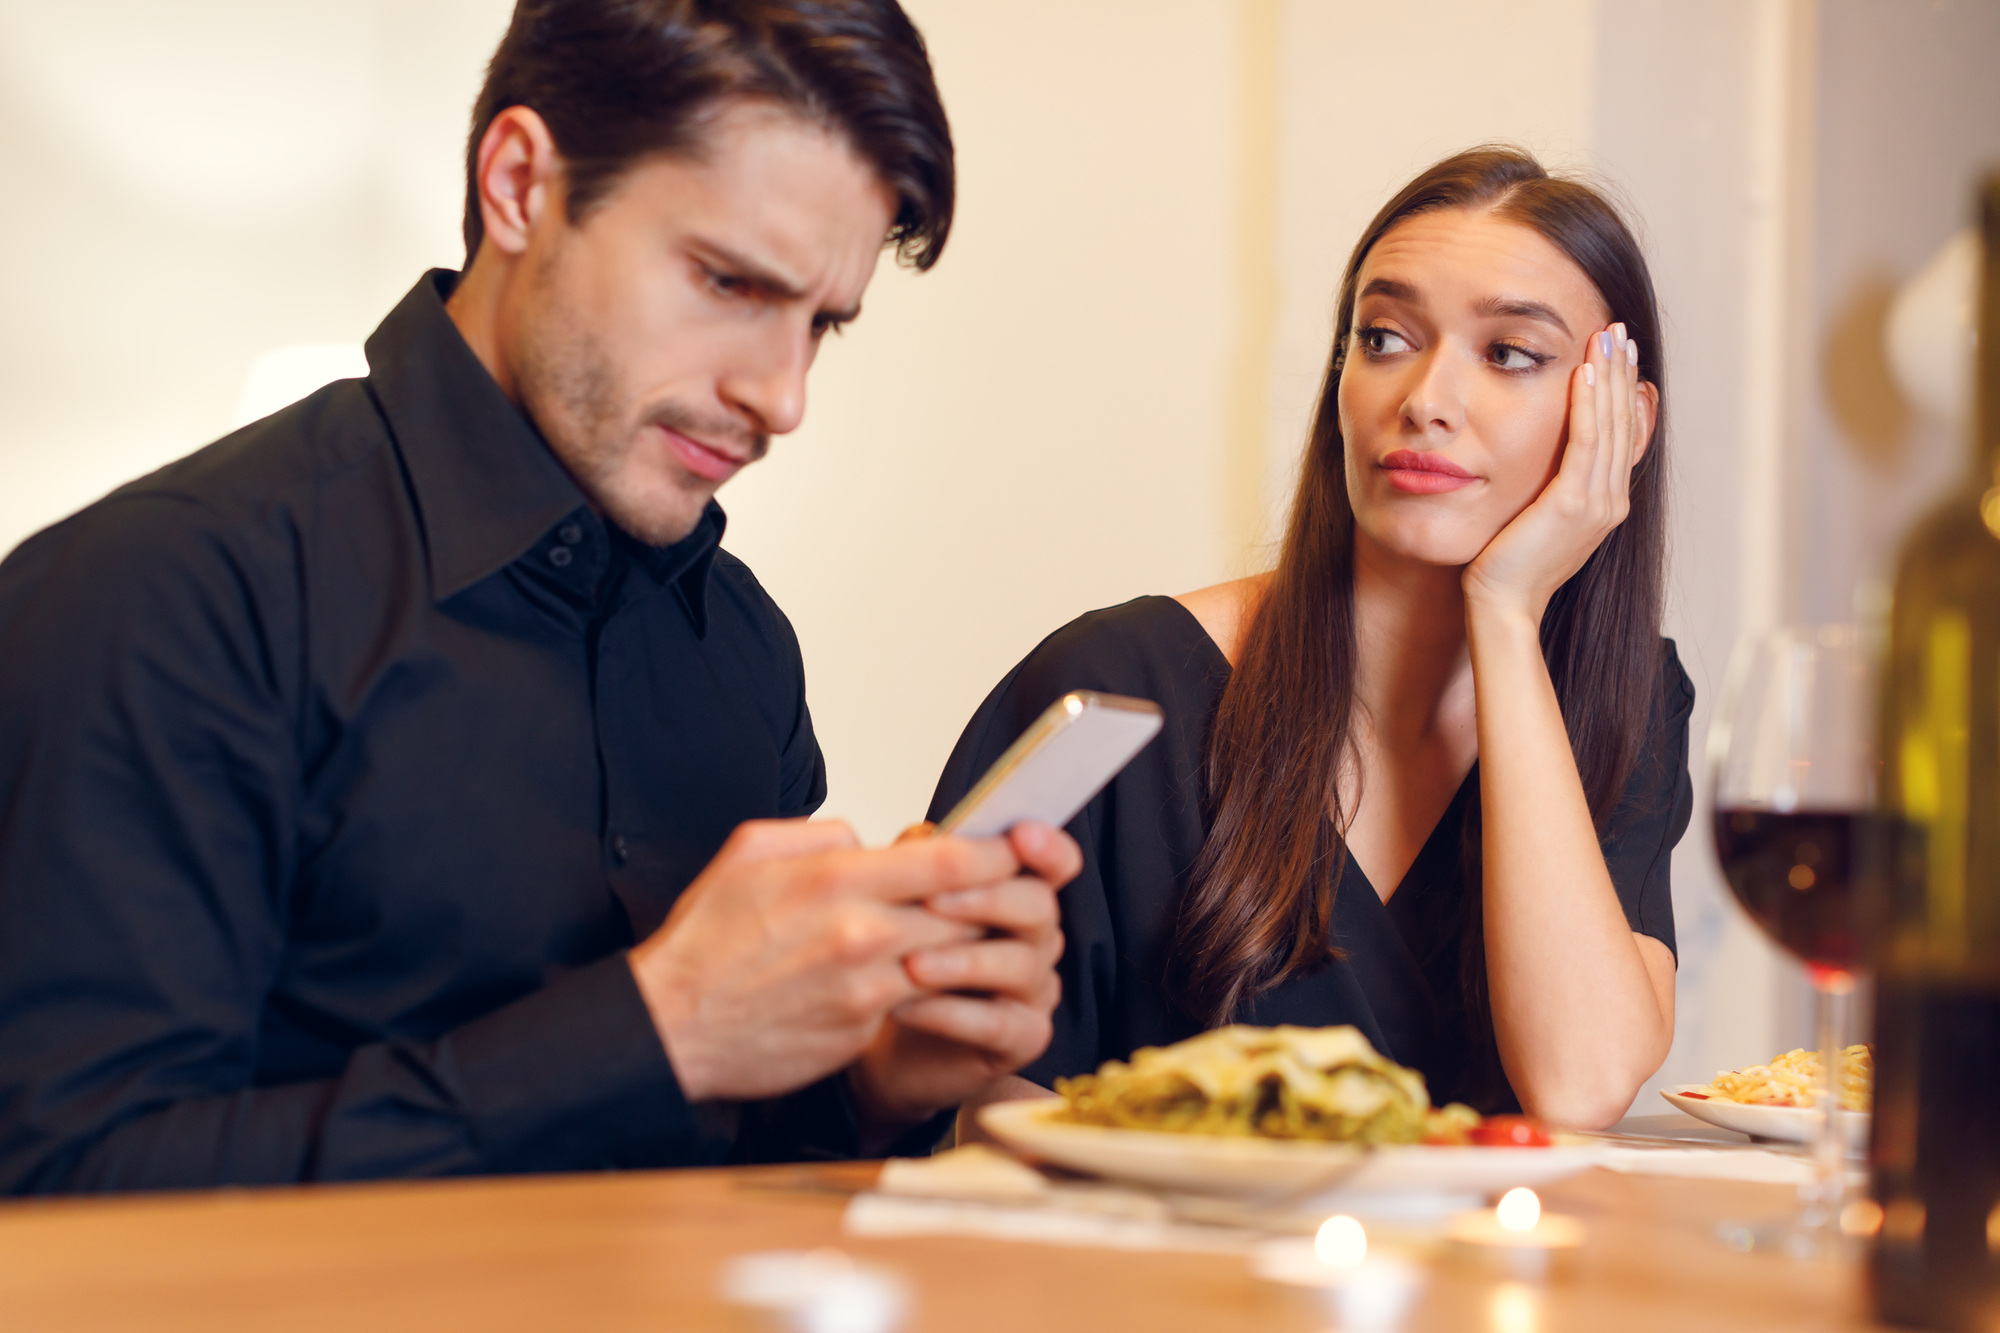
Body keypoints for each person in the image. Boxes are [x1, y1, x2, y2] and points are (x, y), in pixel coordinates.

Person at [0, 0, 1079, 1193]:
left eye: (819, 323)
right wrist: (654, 1031)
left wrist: (865, 1078)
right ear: (519, 184)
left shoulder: (743, 648)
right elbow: (55, 1190)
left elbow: (723, 1177)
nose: (782, 397)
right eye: (729, 282)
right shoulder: (166, 595)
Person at [933, 147, 1690, 1135]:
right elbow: (973, 1115)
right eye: (1383, 337)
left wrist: (1504, 613)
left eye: (1507, 354)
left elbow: (1579, 1081)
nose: (1423, 397)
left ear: (1619, 424)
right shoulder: (1112, 688)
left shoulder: (1629, 699)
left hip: (1476, 1290)